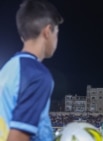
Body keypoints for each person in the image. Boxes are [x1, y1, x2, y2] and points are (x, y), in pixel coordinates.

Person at [0, 0, 63, 141]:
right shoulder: (38, 75)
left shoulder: (7, 69)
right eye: (57, 32)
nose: (56, 39)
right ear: (47, 32)